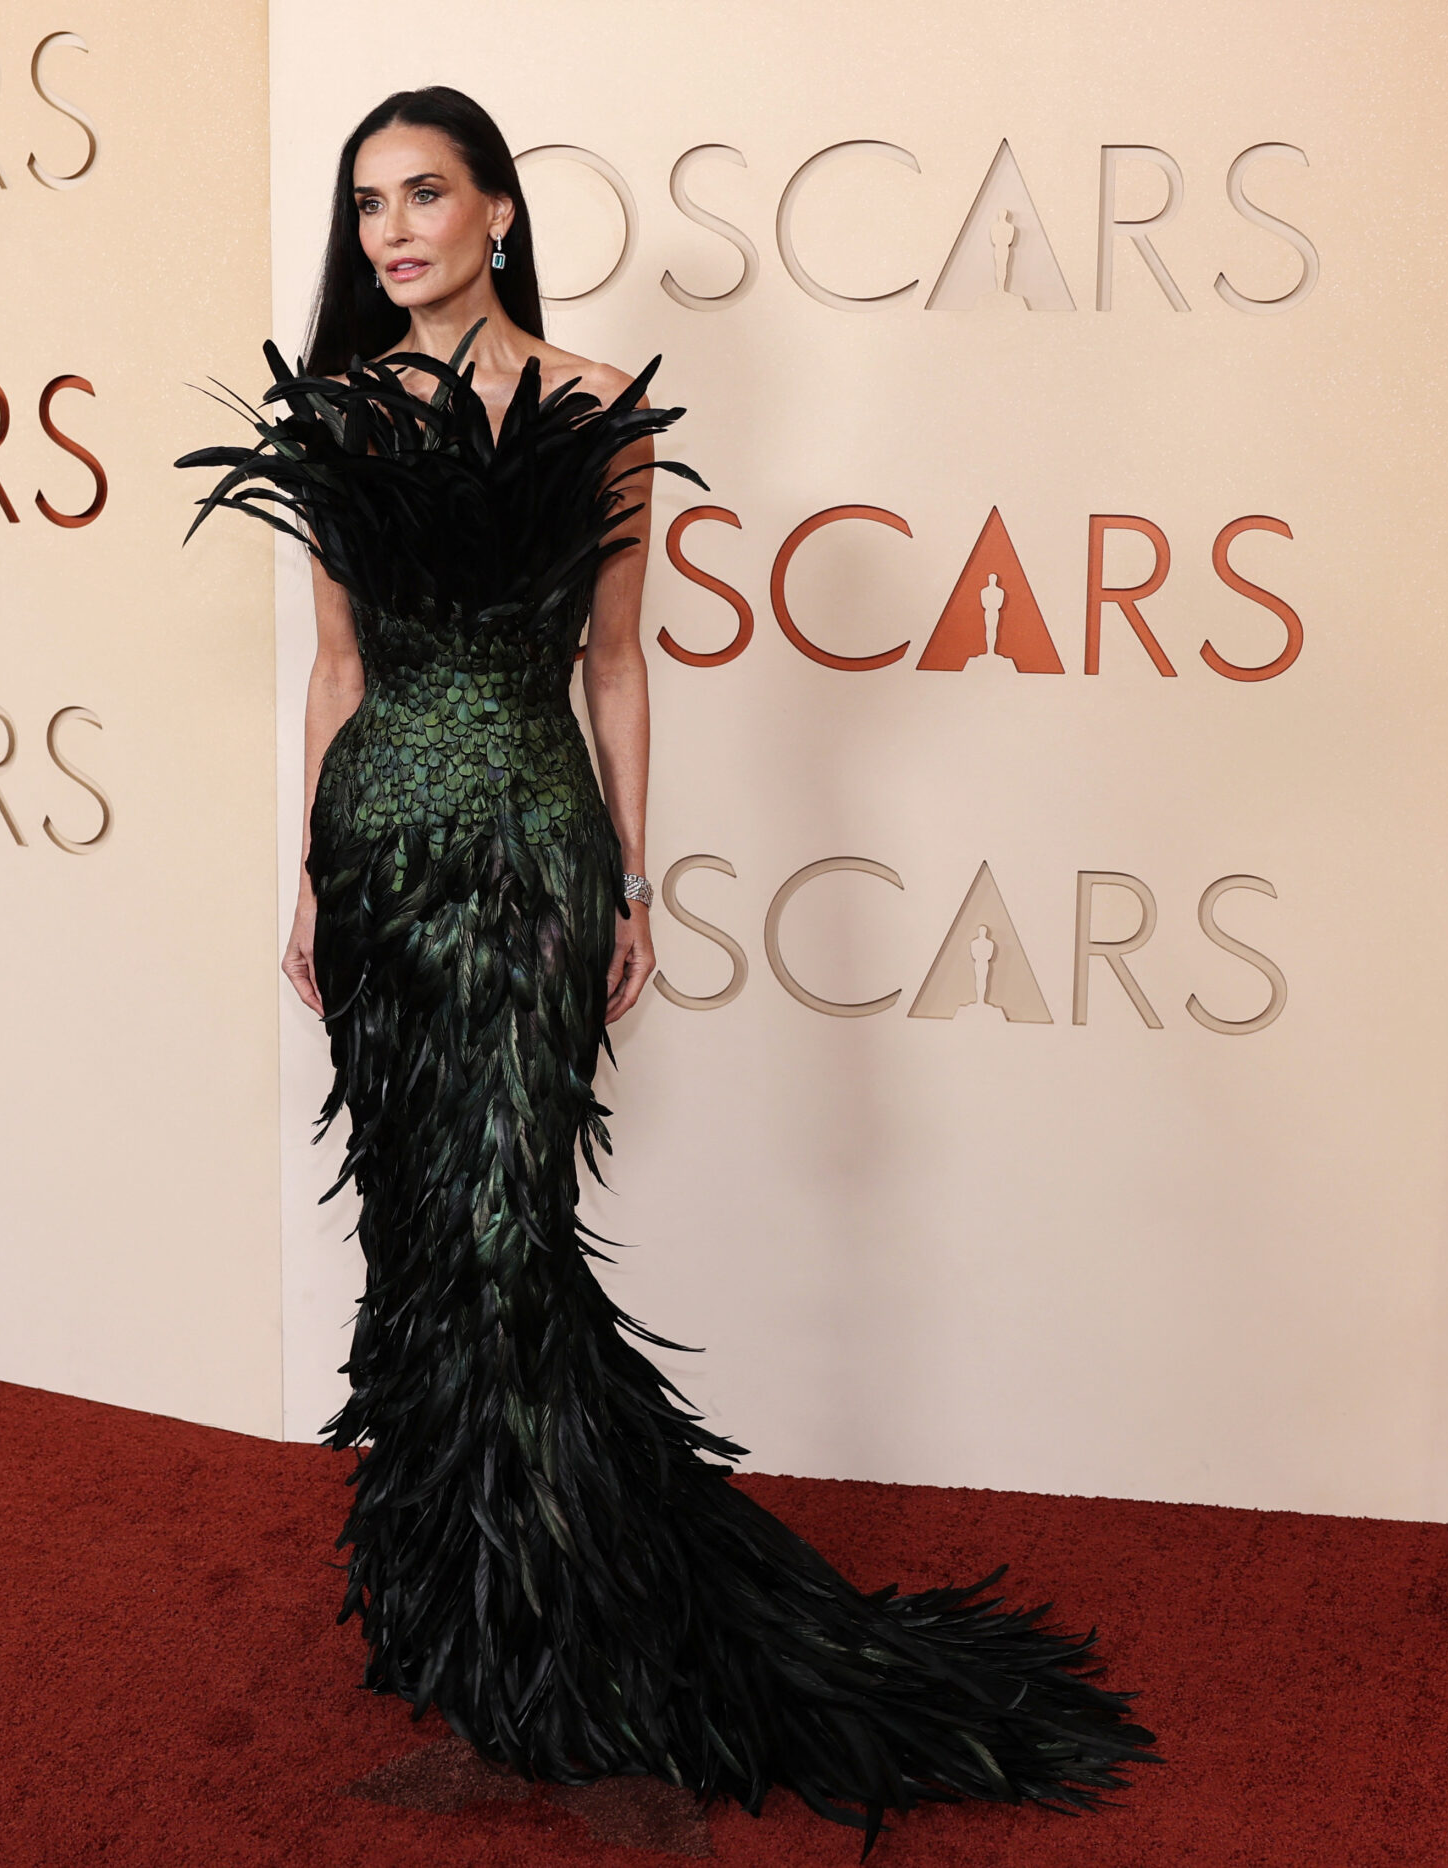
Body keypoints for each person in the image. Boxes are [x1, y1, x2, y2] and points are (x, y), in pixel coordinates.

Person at [179, 85, 1153, 1848]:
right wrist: (309, 876)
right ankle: (466, 1609)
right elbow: (331, 674)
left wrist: (633, 876)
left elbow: (617, 664)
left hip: (538, 844)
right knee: (418, 1229)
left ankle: (571, 1603)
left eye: (424, 194)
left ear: (496, 212)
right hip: (383, 851)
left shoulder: (595, 409)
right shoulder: (333, 416)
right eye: (368, 206)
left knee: (507, 1221)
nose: (393, 231)